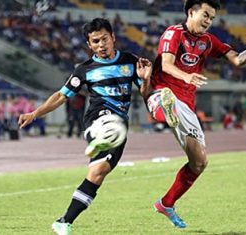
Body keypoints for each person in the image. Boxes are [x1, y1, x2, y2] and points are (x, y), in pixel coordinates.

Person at [18, 18, 152, 235]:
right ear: (89, 45)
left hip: (121, 126)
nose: (101, 44)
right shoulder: (84, 70)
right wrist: (35, 113)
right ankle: (100, 135)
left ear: (113, 38)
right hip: (98, 117)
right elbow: (62, 96)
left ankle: (64, 221)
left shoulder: (130, 61)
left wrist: (145, 79)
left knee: (98, 172)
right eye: (95, 41)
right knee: (111, 123)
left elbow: (146, 94)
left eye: (104, 39)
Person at [146, 0, 246, 229]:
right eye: (205, 15)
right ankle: (164, 112)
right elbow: (167, 64)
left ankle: (166, 203)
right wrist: (187, 76)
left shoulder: (208, 41)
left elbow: (238, 60)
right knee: (166, 101)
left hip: (186, 105)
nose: (209, 21)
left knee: (199, 162)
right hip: (163, 92)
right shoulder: (173, 33)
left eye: (212, 18)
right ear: (191, 12)